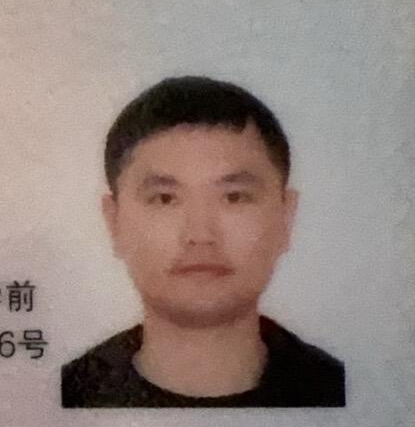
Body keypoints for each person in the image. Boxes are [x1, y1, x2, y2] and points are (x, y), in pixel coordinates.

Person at [61, 76, 345, 408]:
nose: (200, 236)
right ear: (114, 223)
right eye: (165, 199)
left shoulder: (341, 392)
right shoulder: (69, 394)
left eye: (234, 197)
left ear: (286, 218)